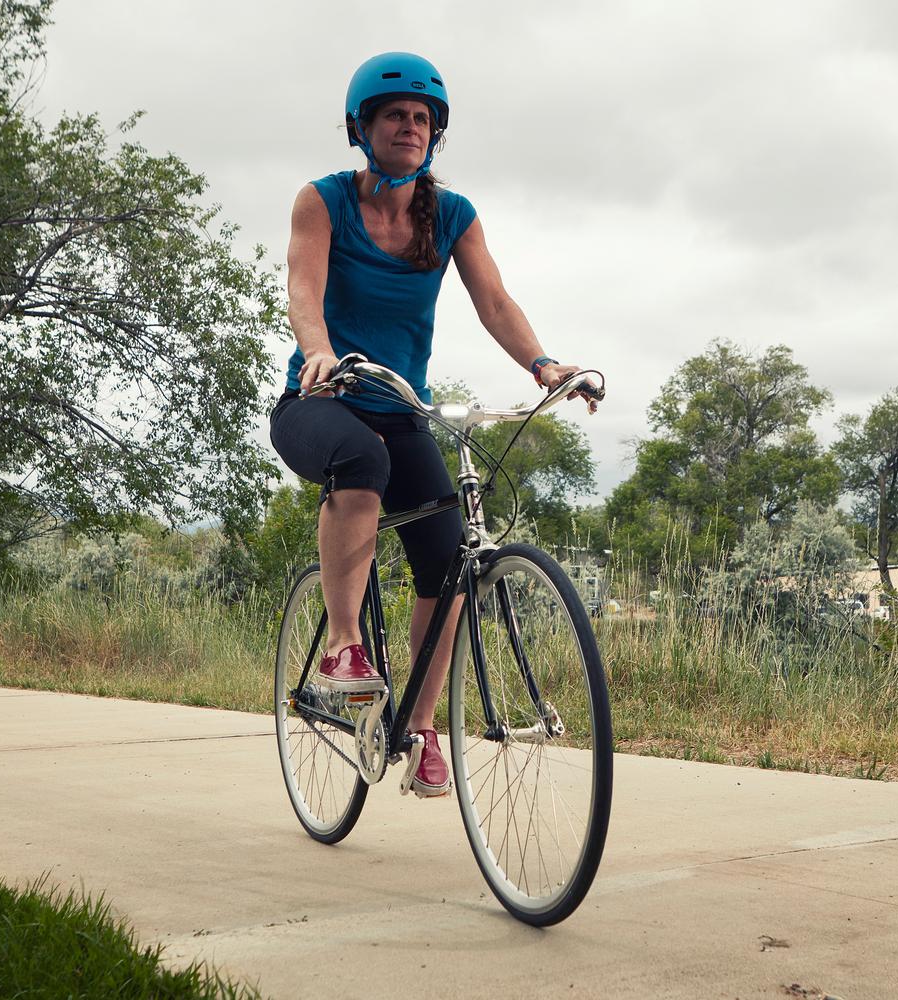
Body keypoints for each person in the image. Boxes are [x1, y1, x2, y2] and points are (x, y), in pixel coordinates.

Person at [270, 52, 597, 798]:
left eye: (422, 118)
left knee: (448, 565)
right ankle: (345, 648)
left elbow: (494, 301)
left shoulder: (450, 215)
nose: (409, 127)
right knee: (361, 465)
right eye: (395, 116)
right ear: (363, 128)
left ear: (435, 133)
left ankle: (417, 728)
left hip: (403, 412)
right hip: (322, 402)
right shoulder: (321, 201)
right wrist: (318, 353)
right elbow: (303, 288)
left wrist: (544, 365)